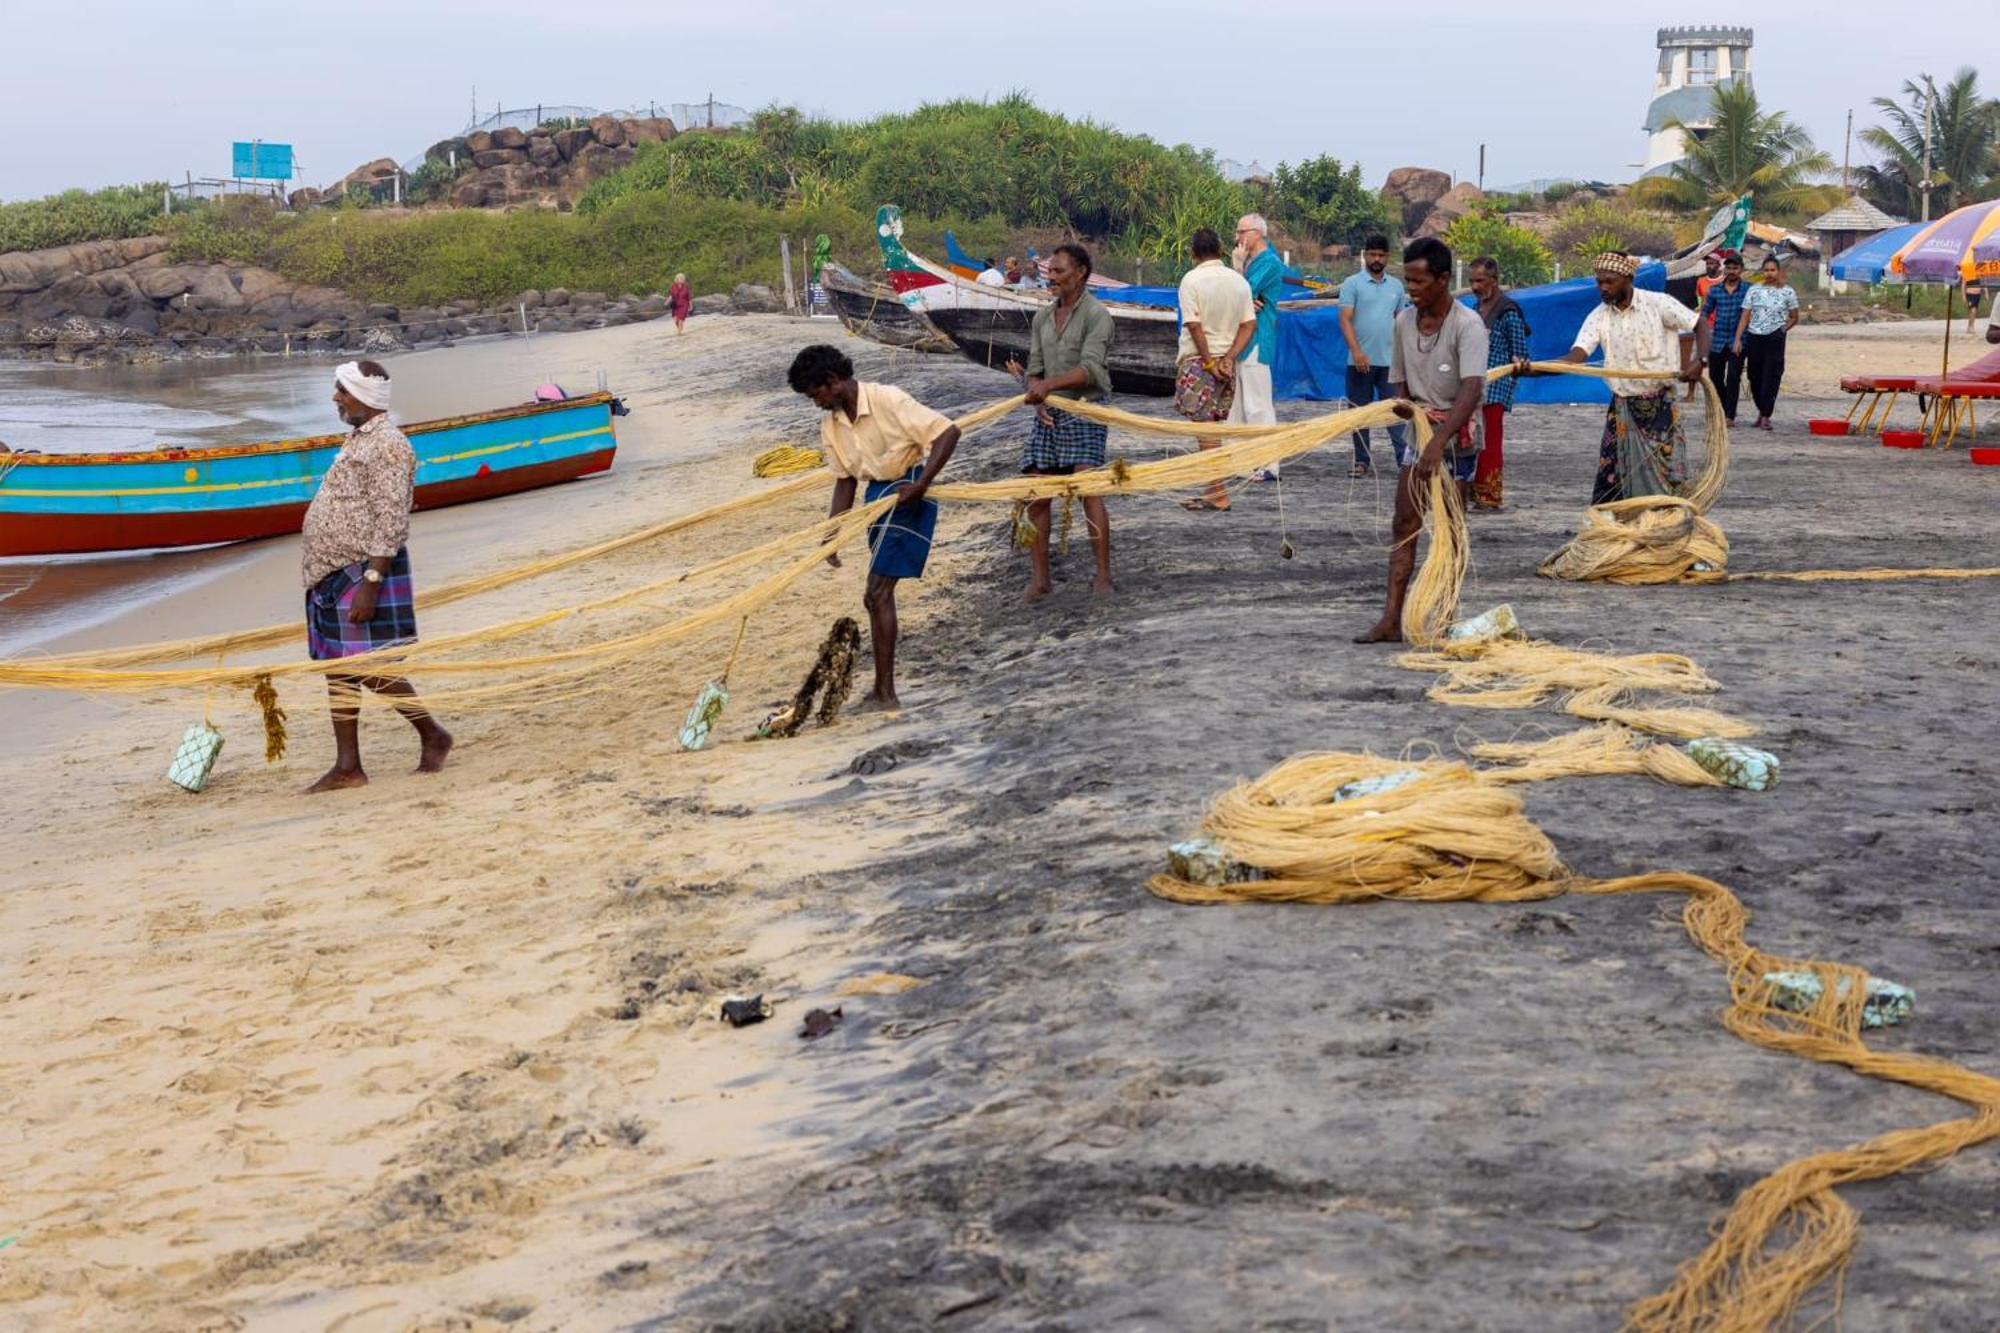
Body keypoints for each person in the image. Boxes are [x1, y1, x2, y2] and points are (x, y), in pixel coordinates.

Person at [300, 361, 452, 793]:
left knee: (366, 666)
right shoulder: (360, 439)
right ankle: (348, 767)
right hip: (332, 571)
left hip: (360, 570)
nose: (335, 398)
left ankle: (432, 734)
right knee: (338, 669)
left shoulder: (388, 445)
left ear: (364, 397)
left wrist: (371, 581)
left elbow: (390, 519)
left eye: (342, 391)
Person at [788, 345, 961, 711]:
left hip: (909, 489)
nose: (815, 402)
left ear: (833, 381)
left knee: (877, 593)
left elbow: (947, 432)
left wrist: (923, 483)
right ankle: (884, 690)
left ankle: (886, 694)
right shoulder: (831, 424)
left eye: (815, 394)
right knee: (876, 594)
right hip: (878, 497)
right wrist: (833, 534)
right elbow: (845, 481)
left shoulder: (888, 399)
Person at [1355, 237, 1487, 644]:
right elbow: (1399, 380)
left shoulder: (1468, 325)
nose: (1411, 290)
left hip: (1457, 439)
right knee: (1405, 523)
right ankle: (1391, 619)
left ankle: (1446, 615)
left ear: (1444, 280)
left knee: (1450, 529)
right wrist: (1402, 406)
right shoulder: (1403, 323)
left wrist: (1438, 442)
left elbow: (1471, 391)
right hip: (1419, 434)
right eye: (1407, 281)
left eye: (1419, 282)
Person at [1003, 243, 1115, 601]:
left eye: (1058, 272)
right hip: (1049, 413)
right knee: (1039, 492)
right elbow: (1035, 370)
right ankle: (1040, 579)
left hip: (1086, 409)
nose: (1050, 278)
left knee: (1087, 488)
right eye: (1049, 272)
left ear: (1081, 273)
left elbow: (1091, 370)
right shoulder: (1042, 319)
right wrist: (1038, 399)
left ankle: (1102, 576)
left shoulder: (1098, 316)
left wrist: (1048, 386)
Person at [1556, 252, 1707, 504]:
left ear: (1627, 278)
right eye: (1599, 282)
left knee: (1666, 475)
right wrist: (1534, 368)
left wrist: (1700, 360)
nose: (1603, 288)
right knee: (1612, 476)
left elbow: (1700, 325)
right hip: (1623, 407)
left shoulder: (1659, 304)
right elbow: (1577, 354)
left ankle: (1664, 525)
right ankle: (1616, 529)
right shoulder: (1599, 316)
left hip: (1661, 406)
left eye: (1609, 281)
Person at [1174, 226, 1257, 512]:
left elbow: (1194, 325)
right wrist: (1229, 358)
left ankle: (1219, 493)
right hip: (1225, 363)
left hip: (1200, 362)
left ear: (1193, 253)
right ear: (1220, 251)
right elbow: (1249, 324)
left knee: (1205, 431)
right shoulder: (1239, 282)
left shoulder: (1191, 280)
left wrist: (1209, 361)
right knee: (1212, 430)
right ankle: (1213, 490)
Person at [1338, 232, 1412, 477]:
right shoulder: (1352, 284)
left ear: (1388, 257)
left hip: (1390, 363)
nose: (1377, 259)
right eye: (1372, 254)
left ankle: (1404, 460)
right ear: (1365, 255)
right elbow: (1345, 320)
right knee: (1360, 414)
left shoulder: (1396, 286)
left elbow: (1401, 322)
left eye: (1381, 255)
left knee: (1396, 412)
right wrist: (1357, 352)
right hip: (1360, 363)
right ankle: (1361, 462)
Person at [1468, 257, 1531, 511]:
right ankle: (1473, 489)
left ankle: (1489, 495)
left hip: (1495, 387)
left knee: (1490, 440)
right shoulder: (1475, 309)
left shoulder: (1508, 312)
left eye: (1480, 280)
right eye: (1472, 281)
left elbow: (1520, 354)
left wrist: (1518, 363)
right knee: (1472, 439)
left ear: (1494, 281)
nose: (1475, 286)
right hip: (1473, 384)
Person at [1231, 213, 1285, 479]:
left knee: (1257, 403)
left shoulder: (1269, 263)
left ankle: (1267, 463)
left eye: (1241, 232)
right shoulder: (1255, 262)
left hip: (1257, 340)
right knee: (1239, 404)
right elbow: (1242, 297)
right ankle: (1242, 462)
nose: (1237, 238)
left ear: (1256, 233)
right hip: (1243, 340)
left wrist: (1238, 270)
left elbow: (1242, 291)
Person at [1738, 256, 1800, 432]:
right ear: (1762, 272)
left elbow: (1794, 317)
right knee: (1754, 376)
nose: (1769, 273)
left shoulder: (1788, 292)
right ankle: (1761, 410)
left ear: (1779, 271)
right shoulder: (1754, 290)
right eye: (1766, 270)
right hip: (1755, 336)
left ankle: (1766, 416)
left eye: (1772, 270)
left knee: (1771, 377)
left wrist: (1782, 329)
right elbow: (1745, 315)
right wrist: (1738, 338)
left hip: (1775, 338)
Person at [1699, 252, 1748, 424]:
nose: (1731, 271)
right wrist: (1702, 328)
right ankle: (1722, 407)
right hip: (1718, 339)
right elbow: (1705, 312)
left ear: (1741, 270)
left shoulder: (1748, 290)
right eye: (1728, 267)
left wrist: (1740, 339)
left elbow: (1750, 315)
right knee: (1715, 377)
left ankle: (1729, 415)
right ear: (1724, 269)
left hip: (1738, 341)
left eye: (1735, 268)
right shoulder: (1715, 290)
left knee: (1734, 377)